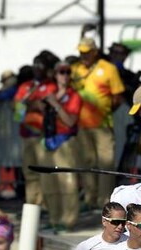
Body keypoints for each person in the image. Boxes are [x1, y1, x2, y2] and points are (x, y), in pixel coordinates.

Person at [71, 37, 125, 208]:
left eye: (87, 52)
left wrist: (105, 111)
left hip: (103, 125)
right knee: (86, 162)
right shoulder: (75, 69)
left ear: (95, 51)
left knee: (105, 163)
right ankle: (89, 198)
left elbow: (118, 96)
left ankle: (105, 200)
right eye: (81, 52)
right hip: (81, 125)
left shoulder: (108, 68)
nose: (83, 55)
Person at [42, 61, 83, 231]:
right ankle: (54, 218)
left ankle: (68, 220)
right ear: (55, 74)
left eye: (67, 72)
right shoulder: (49, 92)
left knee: (67, 182)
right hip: (48, 140)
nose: (64, 75)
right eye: (61, 72)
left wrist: (56, 105)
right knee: (49, 182)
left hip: (65, 140)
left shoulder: (74, 96)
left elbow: (70, 121)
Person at [14, 53, 55, 210]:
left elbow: (43, 106)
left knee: (43, 171)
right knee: (29, 171)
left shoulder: (50, 85)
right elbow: (17, 105)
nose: (37, 68)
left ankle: (45, 204)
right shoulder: (26, 86)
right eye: (35, 64)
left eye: (40, 65)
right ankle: (32, 203)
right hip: (26, 133)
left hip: (42, 134)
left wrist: (28, 104)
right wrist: (32, 104)